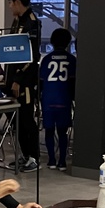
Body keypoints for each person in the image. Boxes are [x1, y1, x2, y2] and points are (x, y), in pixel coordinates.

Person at [5, 0, 41, 172]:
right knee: (16, 121)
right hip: (12, 79)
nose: (10, 7)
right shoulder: (17, 20)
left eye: (10, 3)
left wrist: (18, 79)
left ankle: (34, 157)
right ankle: (25, 154)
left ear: (18, 2)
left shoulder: (31, 22)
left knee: (27, 119)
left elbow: (31, 56)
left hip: (25, 82)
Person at [40, 28, 76, 171]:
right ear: (68, 42)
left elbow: (41, 81)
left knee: (49, 131)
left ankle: (51, 160)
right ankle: (62, 161)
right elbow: (73, 82)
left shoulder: (46, 59)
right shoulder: (72, 60)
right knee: (62, 132)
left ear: (52, 41)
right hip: (64, 100)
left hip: (48, 100)